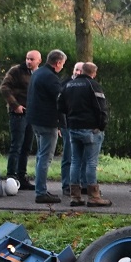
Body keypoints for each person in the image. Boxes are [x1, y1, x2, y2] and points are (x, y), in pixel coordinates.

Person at [60, 61, 112, 208]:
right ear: (93, 73)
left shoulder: (69, 85)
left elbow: (61, 105)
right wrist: (101, 126)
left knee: (75, 161)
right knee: (91, 162)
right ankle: (94, 196)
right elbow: (101, 108)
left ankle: (75, 196)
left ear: (81, 71)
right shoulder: (93, 85)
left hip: (73, 128)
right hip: (90, 129)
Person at [26, 50, 67, 204]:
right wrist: (62, 123)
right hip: (47, 122)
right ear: (57, 63)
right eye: (62, 64)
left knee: (40, 155)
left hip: (35, 120)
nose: (62, 67)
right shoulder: (51, 78)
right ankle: (41, 192)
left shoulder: (38, 73)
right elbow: (61, 101)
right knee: (46, 157)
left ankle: (40, 188)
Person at [0, 49, 40, 190]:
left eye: (32, 59)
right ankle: (11, 176)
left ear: (38, 61)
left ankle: (22, 177)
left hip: (32, 113)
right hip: (18, 112)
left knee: (27, 146)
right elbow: (4, 87)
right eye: (27, 58)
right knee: (16, 144)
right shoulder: (16, 70)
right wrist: (15, 105)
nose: (29, 61)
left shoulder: (38, 74)